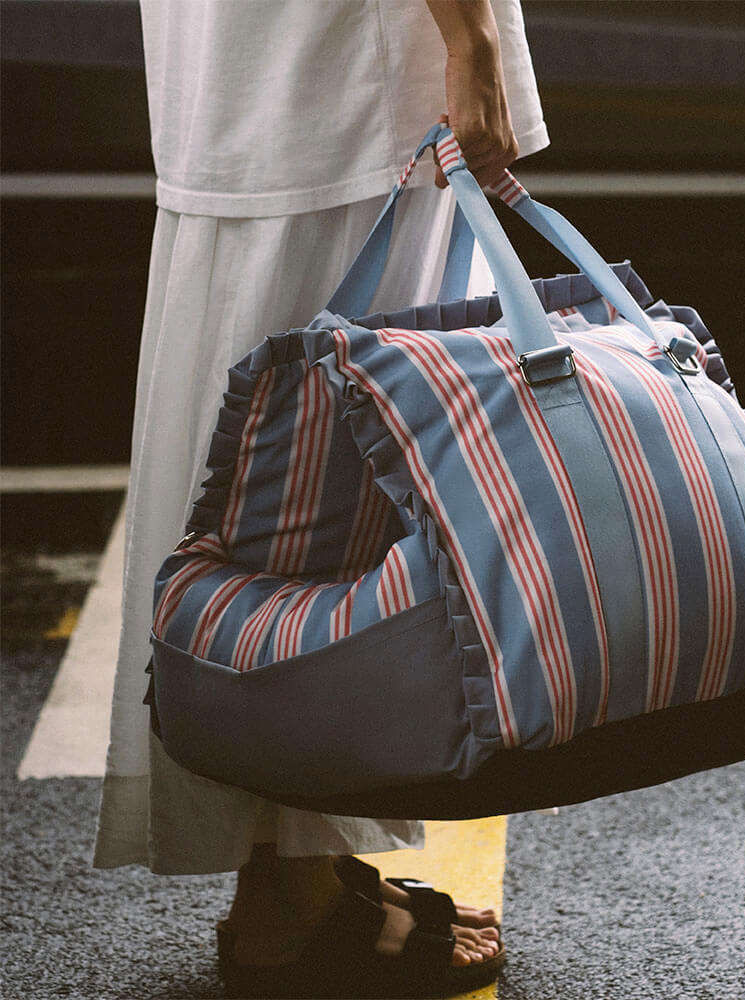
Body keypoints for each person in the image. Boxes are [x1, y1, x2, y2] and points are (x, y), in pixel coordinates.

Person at [93, 1, 548, 994]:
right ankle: (284, 908)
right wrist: (468, 36)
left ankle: (295, 864)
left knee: (270, 474)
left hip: (248, 74)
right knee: (320, 487)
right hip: (336, 77)